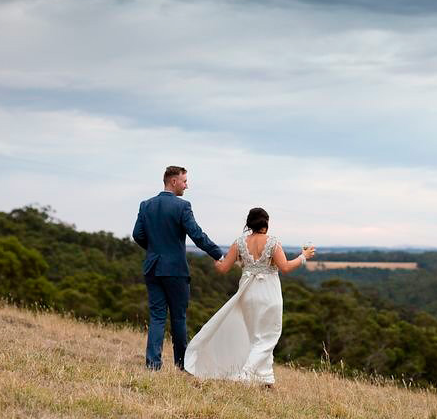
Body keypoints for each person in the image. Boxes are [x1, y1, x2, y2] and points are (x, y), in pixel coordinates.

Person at [185, 207, 315, 385]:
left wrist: (216, 261)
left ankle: (264, 378)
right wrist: (304, 256)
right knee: (269, 336)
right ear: (266, 223)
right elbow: (285, 267)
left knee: (255, 337)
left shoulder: (239, 242)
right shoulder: (272, 242)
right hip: (268, 294)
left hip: (248, 294)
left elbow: (223, 268)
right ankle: (245, 376)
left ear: (249, 223)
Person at [133, 165, 224, 371]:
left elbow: (137, 235)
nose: (187, 185)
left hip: (153, 267)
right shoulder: (182, 206)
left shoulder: (146, 205)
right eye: (184, 181)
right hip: (175, 270)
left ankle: (153, 365)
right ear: (173, 181)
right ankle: (181, 365)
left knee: (157, 316)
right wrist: (218, 254)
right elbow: (197, 235)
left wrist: (155, 249)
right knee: (178, 317)